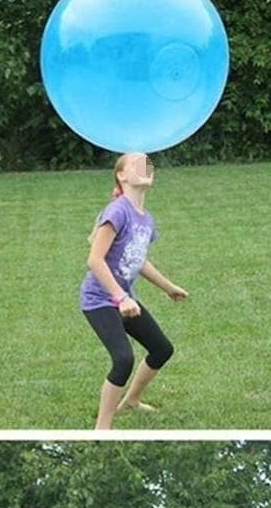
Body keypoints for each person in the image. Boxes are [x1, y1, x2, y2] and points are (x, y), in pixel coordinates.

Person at [79, 153, 189, 429]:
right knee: (123, 359)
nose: (146, 167)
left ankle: (131, 401)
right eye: (138, 164)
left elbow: (138, 259)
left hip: (124, 299)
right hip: (99, 299)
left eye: (148, 164)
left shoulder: (145, 219)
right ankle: (102, 429)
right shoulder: (117, 211)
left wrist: (168, 287)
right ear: (122, 175)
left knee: (161, 349)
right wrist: (121, 296)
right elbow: (94, 259)